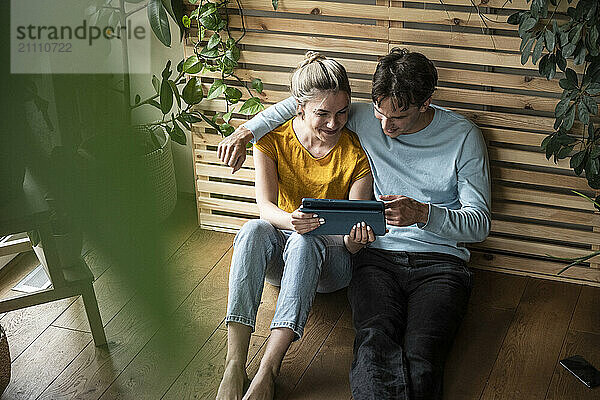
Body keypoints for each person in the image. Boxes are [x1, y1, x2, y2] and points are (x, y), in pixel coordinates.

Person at [217, 48, 491, 400]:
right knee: (373, 343)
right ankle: (240, 365)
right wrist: (245, 132)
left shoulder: (463, 136)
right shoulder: (360, 117)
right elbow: (300, 103)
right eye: (379, 113)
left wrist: (423, 214)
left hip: (441, 264)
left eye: (398, 117)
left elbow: (479, 224)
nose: (385, 127)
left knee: (423, 352)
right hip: (378, 259)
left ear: (426, 103)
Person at [216, 52, 375, 400]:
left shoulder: (355, 154)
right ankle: (234, 364)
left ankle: (267, 371)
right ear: (298, 109)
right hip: (281, 256)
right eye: (322, 114)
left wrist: (353, 242)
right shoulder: (272, 140)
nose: (334, 124)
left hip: (330, 264)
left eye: (342, 112)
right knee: (252, 230)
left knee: (306, 243)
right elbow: (264, 207)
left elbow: (353, 228)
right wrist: (291, 221)